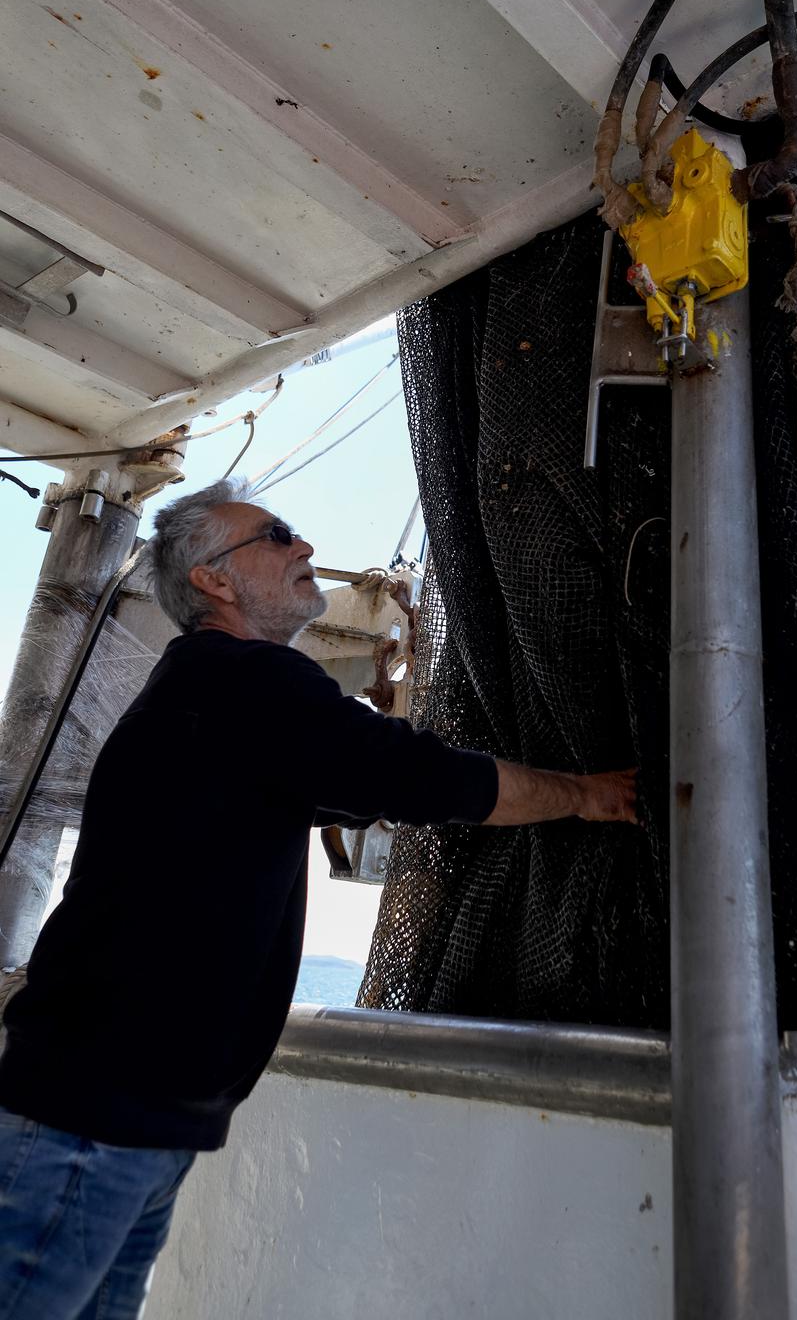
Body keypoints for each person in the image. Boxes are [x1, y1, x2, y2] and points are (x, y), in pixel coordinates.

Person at [0, 477, 636, 1319]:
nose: (303, 547)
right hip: (93, 1124)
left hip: (133, 1120)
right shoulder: (244, 680)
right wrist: (587, 795)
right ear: (214, 581)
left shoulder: (216, 698)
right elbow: (417, 777)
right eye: (277, 535)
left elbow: (354, 785)